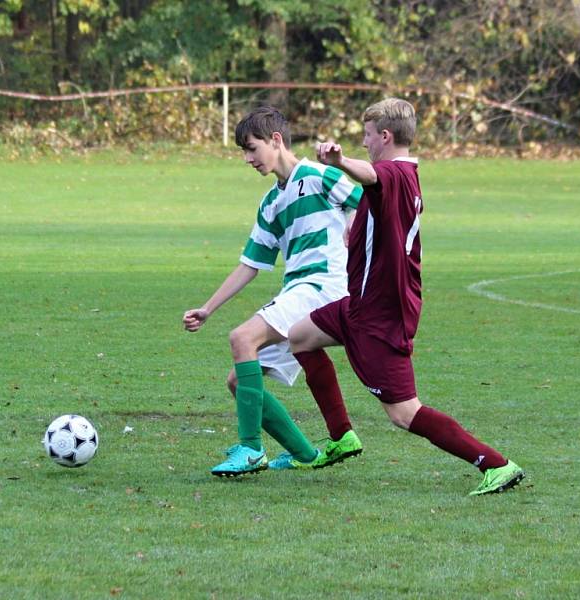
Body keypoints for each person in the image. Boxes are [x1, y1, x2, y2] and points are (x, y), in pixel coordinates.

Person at [288, 97, 525, 495]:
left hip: (380, 317)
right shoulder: (405, 177)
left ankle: (496, 464)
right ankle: (342, 436)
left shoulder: (392, 174)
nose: (364, 143)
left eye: (367, 136)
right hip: (359, 305)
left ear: (385, 136)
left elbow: (370, 176)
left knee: (403, 413)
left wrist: (340, 161)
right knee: (299, 336)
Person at [183, 106, 363, 477]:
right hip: (298, 290)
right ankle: (306, 454)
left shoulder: (318, 175)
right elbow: (251, 263)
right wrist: (208, 308)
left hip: (324, 286)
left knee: (242, 339)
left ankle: (250, 450)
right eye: (244, 152)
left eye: (252, 149)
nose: (248, 159)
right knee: (238, 381)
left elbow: (367, 199)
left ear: (276, 140)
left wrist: (352, 225)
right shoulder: (270, 203)